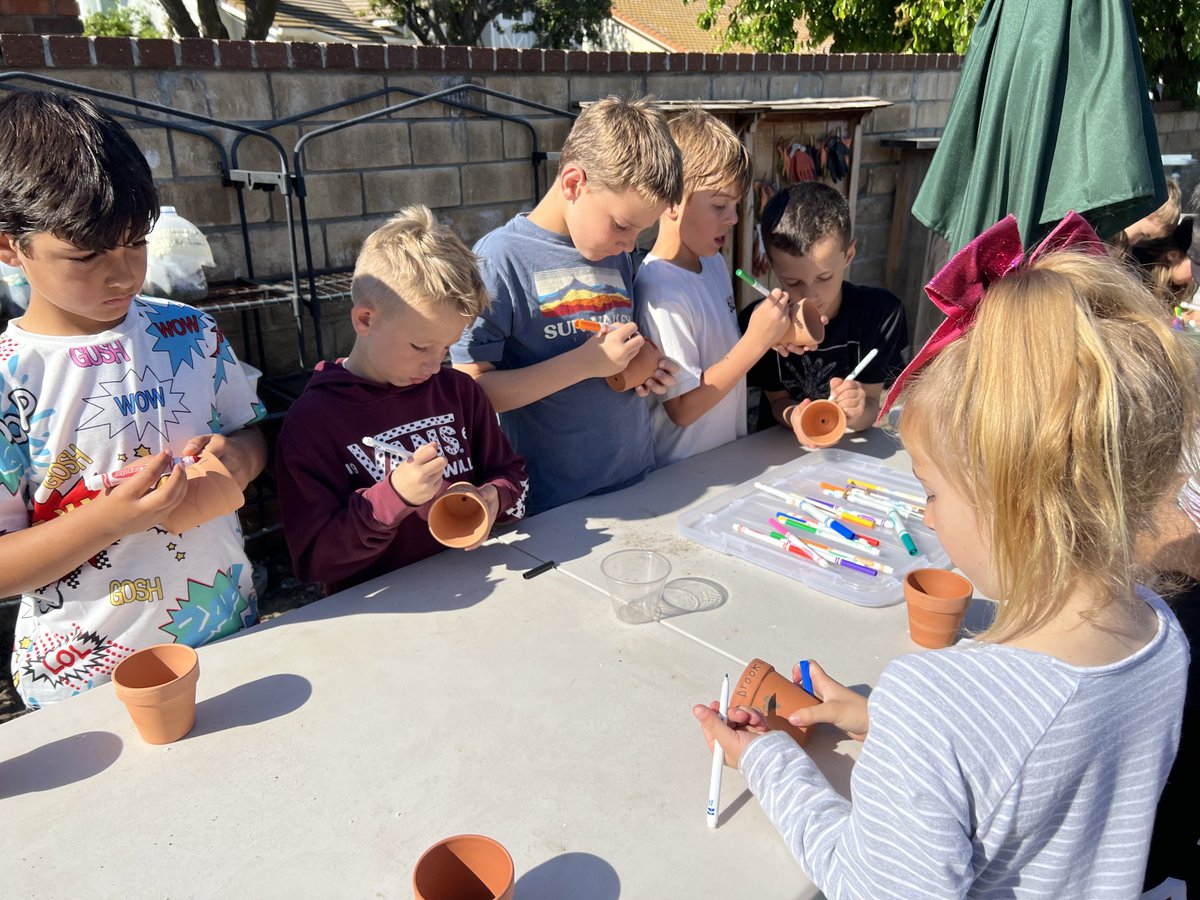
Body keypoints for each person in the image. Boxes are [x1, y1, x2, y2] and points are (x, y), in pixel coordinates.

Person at [695, 223, 1199, 896]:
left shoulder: (937, 701)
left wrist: (769, 760)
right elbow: (1032, 765)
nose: (927, 516)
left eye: (931, 490)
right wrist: (884, 725)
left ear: (1013, 500)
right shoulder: (1160, 633)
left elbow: (866, 884)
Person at [0, 91, 267, 708]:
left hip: (225, 629)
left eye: (136, 243)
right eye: (86, 255)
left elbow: (249, 433)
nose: (123, 274)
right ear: (10, 245)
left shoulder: (189, 331)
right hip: (83, 679)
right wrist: (110, 521)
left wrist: (235, 462)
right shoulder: (11, 378)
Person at [275, 206, 528, 595]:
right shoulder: (313, 422)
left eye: (446, 347)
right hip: (381, 610)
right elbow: (314, 560)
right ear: (365, 320)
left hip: (475, 587)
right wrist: (394, 498)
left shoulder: (459, 392)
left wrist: (494, 497)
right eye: (420, 347)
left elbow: (513, 475)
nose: (434, 364)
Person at [450, 96, 682, 514]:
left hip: (635, 478)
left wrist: (642, 366)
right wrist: (585, 364)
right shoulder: (498, 261)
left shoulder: (612, 252)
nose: (630, 245)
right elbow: (470, 393)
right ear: (574, 183)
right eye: (622, 225)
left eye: (640, 233)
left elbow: (604, 350)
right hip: (556, 509)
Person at [634, 107, 794, 467]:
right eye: (720, 205)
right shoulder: (660, 290)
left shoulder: (713, 263)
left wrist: (773, 334)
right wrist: (755, 342)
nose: (734, 218)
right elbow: (682, 408)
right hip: (683, 474)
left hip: (725, 456)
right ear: (671, 201)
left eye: (736, 205)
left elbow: (721, 356)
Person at [741, 182, 908, 445]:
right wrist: (795, 416)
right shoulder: (762, 323)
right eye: (793, 282)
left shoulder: (879, 315)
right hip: (777, 452)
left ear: (848, 255)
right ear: (772, 265)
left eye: (824, 278)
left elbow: (870, 405)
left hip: (848, 453)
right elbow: (777, 401)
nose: (810, 295)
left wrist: (857, 410)